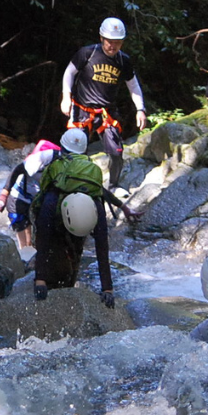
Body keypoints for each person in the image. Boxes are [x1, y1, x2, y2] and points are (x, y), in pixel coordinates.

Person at [33, 128, 140, 308]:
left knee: (50, 242)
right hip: (86, 213)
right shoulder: (93, 172)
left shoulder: (55, 168)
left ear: (62, 147)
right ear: (84, 151)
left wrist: (39, 280)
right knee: (77, 253)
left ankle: (44, 282)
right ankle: (81, 285)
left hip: (54, 211)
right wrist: (107, 289)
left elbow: (42, 233)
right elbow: (101, 242)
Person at [60, 17, 147, 195]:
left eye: (117, 42)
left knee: (116, 152)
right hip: (82, 109)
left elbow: (133, 86)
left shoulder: (124, 61)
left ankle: (113, 186)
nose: (112, 46)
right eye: (109, 42)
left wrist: (140, 109)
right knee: (74, 150)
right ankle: (66, 184)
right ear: (101, 38)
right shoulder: (87, 53)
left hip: (107, 113)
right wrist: (66, 97)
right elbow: (69, 72)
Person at [0, 139, 60, 248]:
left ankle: (32, 249)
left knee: (36, 236)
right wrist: (3, 196)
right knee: (23, 237)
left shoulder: (58, 163)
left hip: (37, 199)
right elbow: (14, 172)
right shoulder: (32, 162)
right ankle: (25, 252)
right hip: (18, 198)